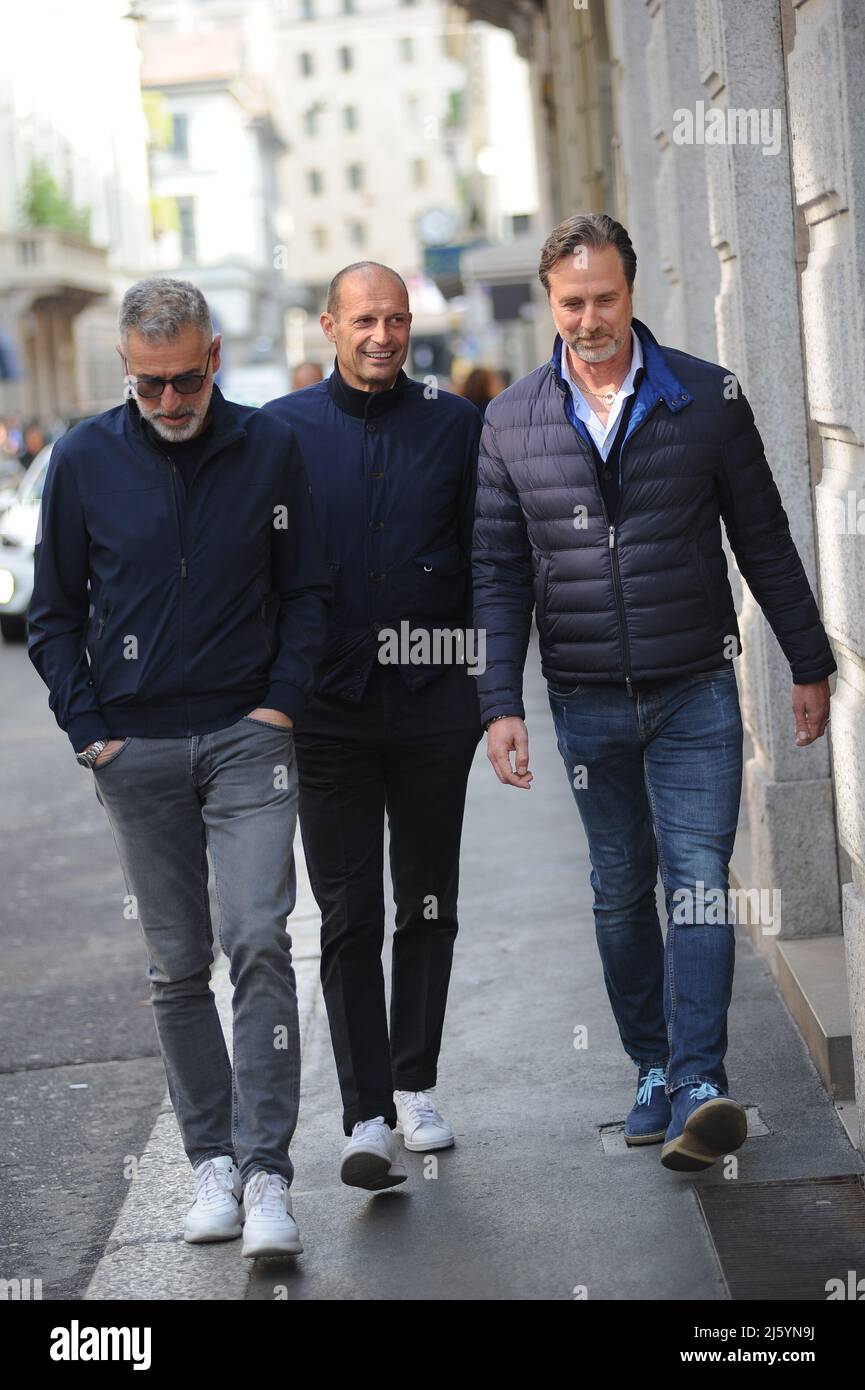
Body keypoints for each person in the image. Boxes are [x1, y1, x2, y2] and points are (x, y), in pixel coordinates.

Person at [471, 214, 835, 1172]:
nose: (589, 319)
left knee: (698, 884)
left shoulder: (705, 399)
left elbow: (760, 534)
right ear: (550, 304)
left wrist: (807, 659)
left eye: (604, 298)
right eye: (571, 302)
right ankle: (648, 1066)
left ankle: (700, 1080)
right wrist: (498, 704)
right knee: (620, 890)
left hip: (694, 692)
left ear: (632, 294)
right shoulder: (510, 421)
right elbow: (497, 573)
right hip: (585, 699)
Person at [28, 276, 332, 1252]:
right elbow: (52, 616)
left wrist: (280, 700)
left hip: (250, 736)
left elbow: (309, 591)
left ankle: (268, 1175)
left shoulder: (269, 448)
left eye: (185, 379)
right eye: (149, 383)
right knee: (175, 965)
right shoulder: (80, 460)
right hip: (137, 749)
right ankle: (210, 1163)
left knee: (259, 938)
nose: (169, 401)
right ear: (126, 367)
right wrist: (93, 732)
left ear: (212, 359)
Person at [264, 261, 483, 1191]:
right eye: (364, 321)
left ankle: (416, 1080)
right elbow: (257, 570)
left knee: (426, 900)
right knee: (349, 913)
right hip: (329, 713)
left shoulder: (453, 425)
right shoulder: (279, 434)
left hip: (434, 705)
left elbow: (489, 560)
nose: (382, 336)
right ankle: (364, 1114)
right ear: (329, 326)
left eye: (394, 320)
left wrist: (488, 688)